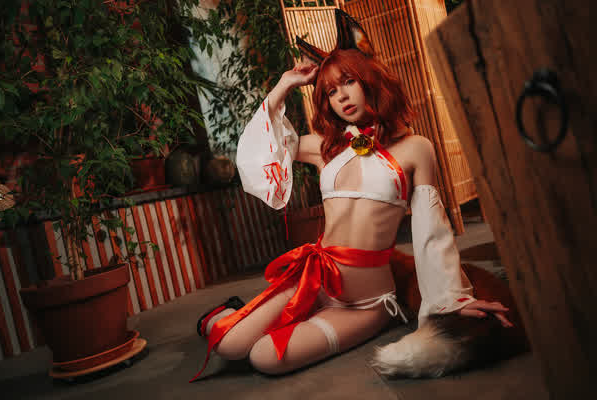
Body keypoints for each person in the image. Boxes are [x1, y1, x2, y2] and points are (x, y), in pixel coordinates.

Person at [191, 9, 513, 382]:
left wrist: (453, 298)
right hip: (314, 279)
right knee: (229, 345)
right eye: (330, 91)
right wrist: (284, 85)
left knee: (265, 357)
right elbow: (264, 149)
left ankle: (277, 319)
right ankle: (232, 314)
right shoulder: (324, 147)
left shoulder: (416, 149)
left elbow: (432, 231)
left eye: (348, 82)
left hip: (366, 303)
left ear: (370, 80)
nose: (341, 96)